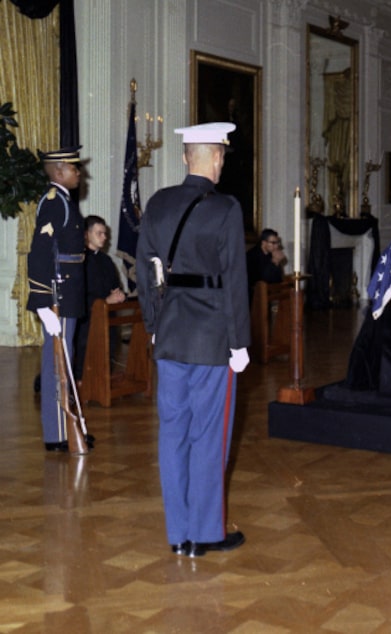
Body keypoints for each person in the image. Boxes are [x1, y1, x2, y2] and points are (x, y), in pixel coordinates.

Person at [136, 122, 251, 558]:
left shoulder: (159, 202)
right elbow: (235, 281)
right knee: (208, 435)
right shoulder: (225, 208)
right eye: (222, 155)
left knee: (173, 433)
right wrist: (239, 343)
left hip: (168, 335)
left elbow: (144, 271)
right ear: (217, 157)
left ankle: (179, 534)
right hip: (211, 340)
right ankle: (205, 533)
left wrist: (151, 323)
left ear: (187, 156)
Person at [27, 146, 94, 452]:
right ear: (58, 172)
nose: (79, 173)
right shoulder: (55, 202)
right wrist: (42, 303)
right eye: (73, 168)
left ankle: (67, 429)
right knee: (57, 362)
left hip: (68, 290)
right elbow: (40, 251)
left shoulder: (65, 201)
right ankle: (57, 435)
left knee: (64, 362)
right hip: (59, 293)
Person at [73, 215, 127, 380]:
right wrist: (104, 301)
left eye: (105, 233)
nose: (104, 237)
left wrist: (119, 295)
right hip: (86, 319)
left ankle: (102, 380)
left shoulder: (106, 260)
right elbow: (79, 294)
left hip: (106, 316)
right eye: (100, 233)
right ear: (86, 234)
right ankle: (81, 379)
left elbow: (115, 286)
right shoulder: (78, 260)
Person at [246, 228, 286, 301]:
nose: (276, 246)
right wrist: (274, 262)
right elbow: (260, 281)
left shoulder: (272, 254)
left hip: (268, 293)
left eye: (277, 243)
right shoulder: (252, 255)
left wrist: (276, 263)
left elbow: (278, 279)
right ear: (264, 243)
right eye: (273, 243)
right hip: (253, 296)